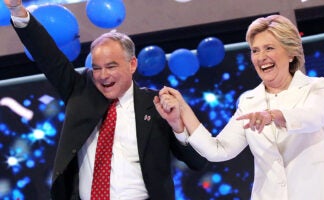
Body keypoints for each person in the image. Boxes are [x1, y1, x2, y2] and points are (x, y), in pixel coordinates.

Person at [4, 0, 207, 199]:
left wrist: (177, 126)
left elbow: (197, 161)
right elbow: (47, 54)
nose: (103, 75)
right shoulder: (80, 91)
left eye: (111, 67)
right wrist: (17, 10)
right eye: (97, 68)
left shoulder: (157, 104)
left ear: (132, 64)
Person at [154, 15, 324, 199]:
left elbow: (313, 118)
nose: (261, 57)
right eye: (255, 50)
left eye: (269, 48)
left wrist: (273, 116)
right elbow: (219, 150)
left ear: (291, 53)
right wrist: (183, 108)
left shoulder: (315, 87)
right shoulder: (249, 101)